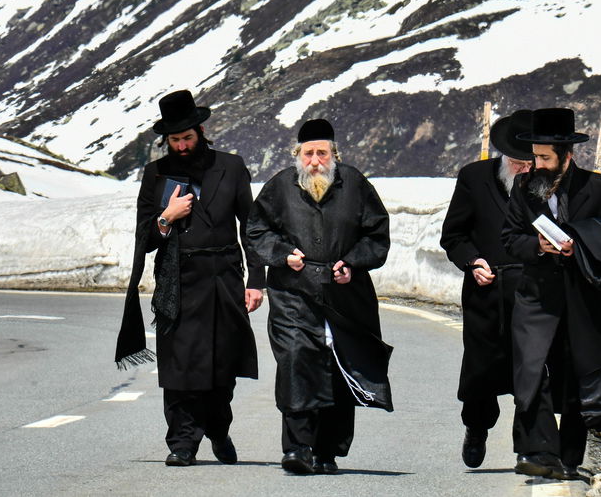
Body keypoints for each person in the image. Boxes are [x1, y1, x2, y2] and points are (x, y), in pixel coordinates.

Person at [114, 90, 265, 467]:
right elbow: (145, 237)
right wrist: (167, 217)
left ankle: (218, 428)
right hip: (177, 283)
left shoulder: (231, 167)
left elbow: (251, 227)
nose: (181, 146)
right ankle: (182, 442)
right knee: (179, 366)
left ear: (200, 132)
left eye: (187, 138)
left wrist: (256, 280)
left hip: (224, 279)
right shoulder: (156, 175)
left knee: (222, 366)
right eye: (174, 140)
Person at [246, 118, 393, 475]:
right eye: (308, 153)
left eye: (322, 153)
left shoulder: (355, 184)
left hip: (344, 296)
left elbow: (377, 234)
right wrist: (283, 254)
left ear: (334, 155)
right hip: (293, 294)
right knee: (296, 360)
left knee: (337, 366)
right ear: (298, 155)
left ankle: (327, 450)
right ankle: (297, 448)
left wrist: (353, 263)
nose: (315, 161)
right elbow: (256, 230)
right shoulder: (280, 186)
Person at [501, 107, 601, 482]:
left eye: (545, 158)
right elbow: (510, 239)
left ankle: (570, 458)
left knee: (579, 374)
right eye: (535, 157)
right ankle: (538, 451)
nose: (537, 165)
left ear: (567, 155)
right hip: (537, 296)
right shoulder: (523, 188)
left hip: (583, 298)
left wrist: (580, 243)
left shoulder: (598, 187)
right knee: (532, 370)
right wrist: (538, 246)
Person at [440, 109, 535, 468]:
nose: (523, 168)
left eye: (529, 162)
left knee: (532, 367)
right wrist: (472, 261)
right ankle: (476, 427)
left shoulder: (547, 183)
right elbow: (453, 235)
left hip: (531, 293)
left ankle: (528, 443)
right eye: (517, 161)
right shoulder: (474, 177)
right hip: (486, 292)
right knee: (481, 370)